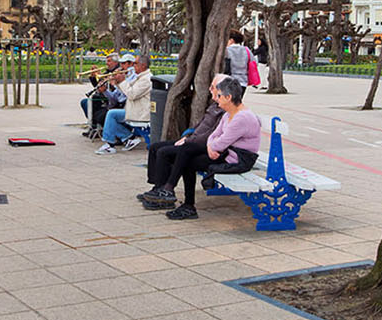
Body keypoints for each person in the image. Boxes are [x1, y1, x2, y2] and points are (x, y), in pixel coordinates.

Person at [162, 79, 261, 220]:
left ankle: (177, 195)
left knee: (188, 159)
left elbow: (221, 142)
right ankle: (181, 199)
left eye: (219, 96)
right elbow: (214, 135)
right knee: (188, 153)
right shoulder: (228, 114)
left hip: (239, 160)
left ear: (228, 97)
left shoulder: (242, 118)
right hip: (226, 153)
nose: (216, 99)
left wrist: (212, 145)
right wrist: (210, 146)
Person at [139, 74, 229, 209]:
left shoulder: (223, 111)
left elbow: (210, 134)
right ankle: (158, 186)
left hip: (201, 145)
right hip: (192, 139)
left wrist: (189, 140)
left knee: (165, 152)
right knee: (155, 147)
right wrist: (187, 135)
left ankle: (167, 192)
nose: (210, 89)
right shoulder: (214, 106)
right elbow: (200, 125)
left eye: (213, 87)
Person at [97, 54, 150, 154]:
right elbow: (124, 91)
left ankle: (109, 144)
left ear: (143, 66)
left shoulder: (146, 79)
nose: (134, 66)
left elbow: (132, 94)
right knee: (110, 115)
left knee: (111, 114)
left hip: (140, 113)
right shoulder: (139, 77)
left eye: (135, 63)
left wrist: (121, 81)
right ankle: (128, 138)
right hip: (132, 110)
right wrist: (116, 82)